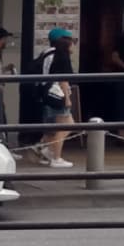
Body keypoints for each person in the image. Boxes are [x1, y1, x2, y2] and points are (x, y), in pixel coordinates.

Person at [31, 28, 79, 168]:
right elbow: (63, 78)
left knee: (52, 128)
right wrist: (68, 99)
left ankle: (43, 148)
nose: (74, 44)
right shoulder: (60, 56)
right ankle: (54, 155)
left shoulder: (46, 53)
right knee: (66, 126)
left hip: (47, 94)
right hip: (58, 95)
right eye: (72, 41)